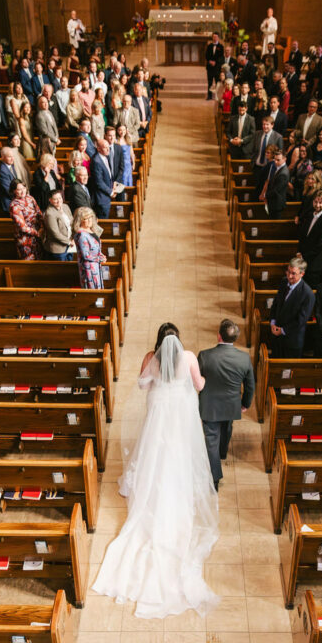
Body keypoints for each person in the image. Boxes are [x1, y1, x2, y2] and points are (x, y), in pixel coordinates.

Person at [92, 322, 218, 619]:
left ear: (159, 341)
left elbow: (142, 385)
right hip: (179, 414)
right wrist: (196, 381)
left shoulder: (151, 358)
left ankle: (152, 483)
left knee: (154, 449)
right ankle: (176, 487)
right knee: (178, 450)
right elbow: (199, 385)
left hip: (159, 412)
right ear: (179, 340)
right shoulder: (188, 357)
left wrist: (157, 382)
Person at [197, 319, 255, 491]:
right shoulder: (244, 358)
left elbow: (197, 379)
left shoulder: (205, 356)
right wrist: (245, 403)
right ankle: (222, 453)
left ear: (219, 336)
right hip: (231, 404)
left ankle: (215, 478)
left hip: (210, 405)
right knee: (227, 427)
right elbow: (250, 385)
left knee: (211, 439)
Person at [269, 257, 315, 357]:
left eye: (293, 273)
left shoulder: (307, 294)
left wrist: (282, 330)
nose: (289, 276)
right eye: (288, 272)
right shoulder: (283, 282)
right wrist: (272, 322)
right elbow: (276, 304)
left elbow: (301, 320)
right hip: (276, 337)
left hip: (292, 341)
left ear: (302, 274)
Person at [297, 191, 322, 287]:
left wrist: (303, 256)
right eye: (315, 202)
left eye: (320, 202)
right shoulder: (310, 215)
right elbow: (303, 236)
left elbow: (320, 244)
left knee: (310, 289)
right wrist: (300, 252)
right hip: (303, 260)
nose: (317, 205)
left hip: (314, 264)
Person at [9, 181, 44, 260]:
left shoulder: (30, 198)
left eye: (24, 188)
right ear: (14, 191)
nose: (22, 191)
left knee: (40, 259)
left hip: (38, 234)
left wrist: (42, 227)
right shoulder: (14, 205)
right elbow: (22, 227)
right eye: (19, 189)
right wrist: (37, 233)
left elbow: (39, 213)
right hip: (25, 238)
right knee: (29, 261)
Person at [73, 206, 105, 289]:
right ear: (80, 221)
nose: (90, 220)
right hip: (89, 269)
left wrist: (101, 255)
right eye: (86, 218)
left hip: (95, 265)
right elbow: (86, 255)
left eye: (90, 217)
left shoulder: (90, 230)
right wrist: (99, 258)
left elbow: (95, 248)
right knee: (93, 290)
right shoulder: (82, 235)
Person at [259, 147, 290, 219]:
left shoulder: (283, 173)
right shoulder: (279, 168)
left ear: (284, 159)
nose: (275, 162)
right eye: (275, 159)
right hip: (273, 202)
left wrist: (265, 195)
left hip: (277, 204)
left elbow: (276, 190)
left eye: (278, 160)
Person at [89, 138, 116, 219]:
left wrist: (113, 184)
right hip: (101, 198)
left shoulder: (105, 156)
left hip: (106, 194)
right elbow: (98, 182)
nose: (108, 149)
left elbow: (108, 174)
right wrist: (110, 192)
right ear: (98, 149)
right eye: (105, 147)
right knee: (103, 221)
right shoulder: (96, 161)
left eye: (108, 147)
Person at [43, 190, 74, 261]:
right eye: (55, 199)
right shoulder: (50, 213)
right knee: (62, 267)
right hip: (58, 248)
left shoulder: (65, 206)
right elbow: (55, 233)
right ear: (50, 200)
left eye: (60, 198)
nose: (59, 201)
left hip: (70, 244)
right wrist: (69, 242)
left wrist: (74, 237)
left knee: (70, 265)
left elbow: (72, 222)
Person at [0, 147, 19, 213]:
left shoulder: (11, 166)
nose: (12, 159)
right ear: (3, 157)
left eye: (13, 156)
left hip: (14, 200)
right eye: (9, 157)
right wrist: (20, 196)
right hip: (8, 203)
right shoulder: (2, 170)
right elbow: (8, 190)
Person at [205, 33, 224, 100]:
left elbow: (221, 57)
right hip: (210, 67)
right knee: (210, 82)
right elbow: (206, 55)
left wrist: (215, 62)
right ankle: (209, 96)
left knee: (217, 82)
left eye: (216, 37)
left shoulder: (221, 46)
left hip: (217, 67)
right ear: (212, 38)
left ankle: (217, 96)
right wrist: (210, 61)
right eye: (213, 37)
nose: (215, 38)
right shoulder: (209, 46)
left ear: (218, 38)